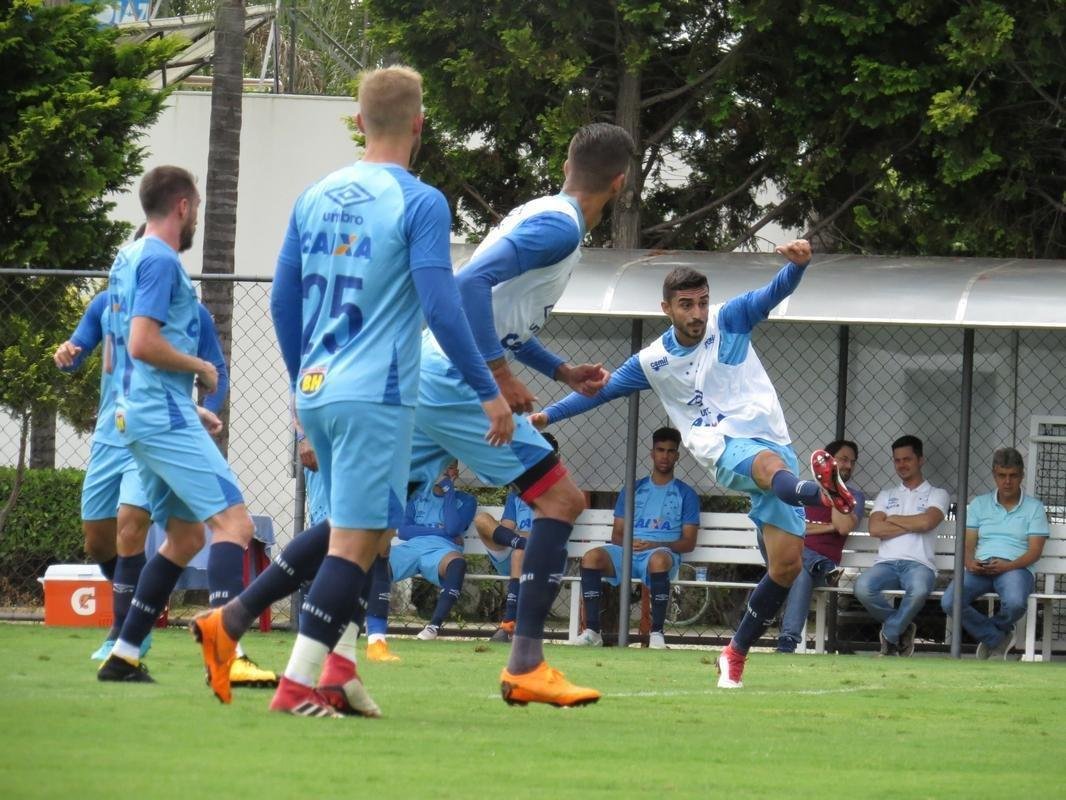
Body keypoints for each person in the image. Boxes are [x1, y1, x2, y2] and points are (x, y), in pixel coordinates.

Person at [193, 65, 511, 718]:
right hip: (378, 395)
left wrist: (300, 387)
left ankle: (311, 662)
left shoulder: (315, 194)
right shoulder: (419, 201)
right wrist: (488, 388)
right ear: (420, 125)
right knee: (356, 544)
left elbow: (284, 300)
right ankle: (292, 681)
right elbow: (442, 306)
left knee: (358, 532)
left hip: (319, 387)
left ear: (360, 123)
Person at [533, 240, 856, 689]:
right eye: (686, 305)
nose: (698, 312)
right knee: (764, 466)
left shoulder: (730, 317)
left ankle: (734, 653)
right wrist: (548, 415)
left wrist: (797, 267)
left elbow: (772, 293)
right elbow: (599, 392)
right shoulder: (653, 361)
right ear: (666, 308)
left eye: (702, 302)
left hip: (773, 441)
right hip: (720, 446)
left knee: (787, 567)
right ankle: (818, 490)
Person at [410, 122, 636, 707]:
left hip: (429, 373)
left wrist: (560, 371)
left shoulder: (542, 214)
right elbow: (468, 285)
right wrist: (499, 377)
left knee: (366, 517)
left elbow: (506, 318)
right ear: (621, 181)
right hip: (452, 377)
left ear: (567, 162)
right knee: (562, 501)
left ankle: (231, 620)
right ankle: (525, 663)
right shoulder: (559, 229)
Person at [96, 166, 258, 686]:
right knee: (236, 526)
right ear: (184, 207)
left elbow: (124, 353)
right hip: (160, 417)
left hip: (140, 414)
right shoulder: (162, 260)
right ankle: (227, 654)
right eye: (198, 211)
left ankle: (124, 654)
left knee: (186, 536)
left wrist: (191, 407)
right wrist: (201, 369)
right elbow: (143, 343)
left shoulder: (128, 257)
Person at [54, 287, 228, 664]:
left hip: (154, 431)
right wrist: (66, 355)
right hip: (108, 434)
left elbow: (217, 369)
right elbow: (76, 352)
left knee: (131, 525)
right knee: (97, 541)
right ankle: (142, 604)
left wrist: (205, 407)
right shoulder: (107, 302)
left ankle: (124, 634)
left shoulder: (191, 312)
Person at [572, 427, 699, 649]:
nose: (665, 456)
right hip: (628, 551)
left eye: (670, 451)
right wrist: (629, 544)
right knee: (591, 557)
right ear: (652, 453)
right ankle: (592, 631)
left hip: (662, 554)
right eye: (660, 450)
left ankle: (657, 634)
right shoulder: (633, 488)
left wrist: (656, 544)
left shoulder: (686, 493)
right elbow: (617, 534)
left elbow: (688, 542)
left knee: (658, 559)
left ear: (677, 456)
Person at [940, 447, 1048, 659]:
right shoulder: (980, 504)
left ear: (1022, 475)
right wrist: (969, 561)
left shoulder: (1034, 508)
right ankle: (997, 638)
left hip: (1015, 568)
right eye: (1002, 475)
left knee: (1016, 603)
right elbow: (969, 542)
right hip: (981, 566)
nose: (1007, 481)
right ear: (994, 475)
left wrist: (1007, 566)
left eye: (1013, 476)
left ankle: (991, 633)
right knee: (949, 601)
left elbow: (1035, 552)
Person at [364, 459, 477, 649]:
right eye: (439, 467)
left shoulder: (466, 500)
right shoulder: (416, 497)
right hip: (411, 548)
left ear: (455, 472)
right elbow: (405, 531)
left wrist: (449, 491)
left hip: (442, 550)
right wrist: (441, 530)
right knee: (376, 560)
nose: (442, 473)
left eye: (448, 468)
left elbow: (454, 527)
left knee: (457, 564)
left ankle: (433, 626)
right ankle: (368, 621)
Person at [854, 435, 949, 656]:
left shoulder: (938, 494)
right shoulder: (886, 495)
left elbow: (927, 522)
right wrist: (913, 523)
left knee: (919, 590)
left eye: (907, 459)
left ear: (920, 460)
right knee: (862, 588)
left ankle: (890, 633)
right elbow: (875, 529)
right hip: (885, 564)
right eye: (897, 460)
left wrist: (892, 518)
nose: (902, 465)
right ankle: (902, 626)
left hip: (919, 564)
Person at [775, 439, 865, 653]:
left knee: (799, 566)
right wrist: (828, 527)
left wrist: (834, 490)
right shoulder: (804, 491)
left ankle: (787, 641)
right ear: (827, 461)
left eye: (852, 462)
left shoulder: (855, 497)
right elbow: (791, 527)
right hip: (802, 562)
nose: (848, 466)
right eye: (843, 460)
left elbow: (842, 527)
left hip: (815, 566)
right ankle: (787, 642)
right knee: (800, 570)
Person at [473, 432, 559, 644]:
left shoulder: (561, 491)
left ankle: (509, 623)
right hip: (513, 548)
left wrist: (524, 539)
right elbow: (506, 527)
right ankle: (521, 544)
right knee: (483, 520)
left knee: (523, 549)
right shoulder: (518, 490)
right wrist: (519, 538)